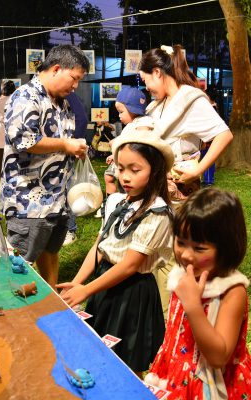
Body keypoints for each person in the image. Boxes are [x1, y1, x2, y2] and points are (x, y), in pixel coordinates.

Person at [57, 127, 174, 376]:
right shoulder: (114, 201)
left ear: (155, 171)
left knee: (126, 362)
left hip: (132, 294)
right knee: (96, 350)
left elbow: (130, 265)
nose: (125, 177)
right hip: (104, 284)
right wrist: (77, 283)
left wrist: (86, 289)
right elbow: (100, 247)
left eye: (135, 170)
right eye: (121, 169)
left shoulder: (157, 213)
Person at [145, 188, 251, 398]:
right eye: (180, 242)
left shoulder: (231, 291)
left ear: (227, 248)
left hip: (213, 385)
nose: (185, 255)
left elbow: (218, 357)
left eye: (199, 248)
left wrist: (193, 306)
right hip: (175, 373)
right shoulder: (183, 277)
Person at [0, 44, 90, 288]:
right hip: (28, 201)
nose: (75, 86)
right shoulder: (26, 96)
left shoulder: (62, 102)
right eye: (74, 78)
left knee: (50, 252)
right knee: (21, 263)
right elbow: (23, 139)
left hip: (56, 199)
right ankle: (17, 307)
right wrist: (65, 144)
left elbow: (63, 141)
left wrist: (75, 148)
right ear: (56, 69)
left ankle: (52, 300)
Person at [139, 45, 233, 192]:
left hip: (181, 188)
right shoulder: (157, 104)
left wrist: (198, 170)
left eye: (145, 80)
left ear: (157, 72)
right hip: (159, 186)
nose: (146, 87)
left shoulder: (190, 98)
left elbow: (224, 135)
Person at [103, 86, 147, 199]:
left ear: (133, 109)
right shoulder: (131, 125)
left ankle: (119, 201)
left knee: (123, 182)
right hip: (123, 159)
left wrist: (116, 141)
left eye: (121, 112)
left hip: (131, 162)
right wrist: (114, 155)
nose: (119, 115)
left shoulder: (142, 123)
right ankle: (110, 200)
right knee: (109, 177)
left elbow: (139, 139)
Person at [63, 91, 89, 246]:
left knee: (68, 190)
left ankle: (70, 229)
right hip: (54, 154)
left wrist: (74, 142)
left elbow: (82, 119)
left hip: (65, 153)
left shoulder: (68, 94)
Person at [0, 80, 16, 193]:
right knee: (12, 157)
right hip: (13, 131)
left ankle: (1, 184)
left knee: (0, 158)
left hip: (1, 131)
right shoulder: (16, 99)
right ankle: (12, 183)